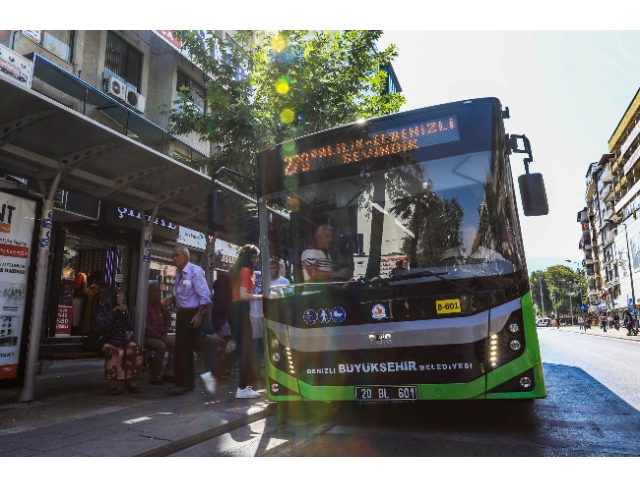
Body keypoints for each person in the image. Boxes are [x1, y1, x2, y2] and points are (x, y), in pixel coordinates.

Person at [163, 245, 211, 396]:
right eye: (173, 255)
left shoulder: (195, 272)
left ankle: (185, 383)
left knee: (183, 348)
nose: (174, 258)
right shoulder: (178, 272)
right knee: (180, 348)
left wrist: (200, 313)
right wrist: (170, 300)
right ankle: (182, 380)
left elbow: (205, 296)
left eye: (177, 255)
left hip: (192, 314)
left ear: (186, 257)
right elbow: (183, 294)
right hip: (182, 314)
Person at [93, 287, 143, 395]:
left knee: (135, 350)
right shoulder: (104, 308)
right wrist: (113, 312)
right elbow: (100, 326)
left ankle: (131, 382)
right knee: (114, 352)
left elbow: (129, 326)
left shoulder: (122, 310)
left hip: (121, 340)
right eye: (119, 295)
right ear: (112, 297)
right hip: (107, 340)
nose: (122, 297)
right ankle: (112, 384)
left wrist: (126, 314)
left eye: (122, 295)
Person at [229, 244, 263, 399]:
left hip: (235, 311)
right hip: (241, 310)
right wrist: (262, 296)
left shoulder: (238, 270)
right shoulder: (246, 271)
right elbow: (243, 295)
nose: (257, 260)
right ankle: (242, 388)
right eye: (256, 257)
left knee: (241, 349)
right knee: (246, 350)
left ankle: (214, 374)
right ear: (251, 257)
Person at [144, 280, 175, 385]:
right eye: (154, 291)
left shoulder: (158, 305)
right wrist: (161, 338)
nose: (158, 293)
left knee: (175, 344)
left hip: (160, 334)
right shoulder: (143, 305)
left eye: (157, 291)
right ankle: (154, 377)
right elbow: (147, 328)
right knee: (161, 346)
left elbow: (167, 315)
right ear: (148, 293)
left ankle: (169, 373)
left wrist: (165, 331)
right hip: (147, 336)